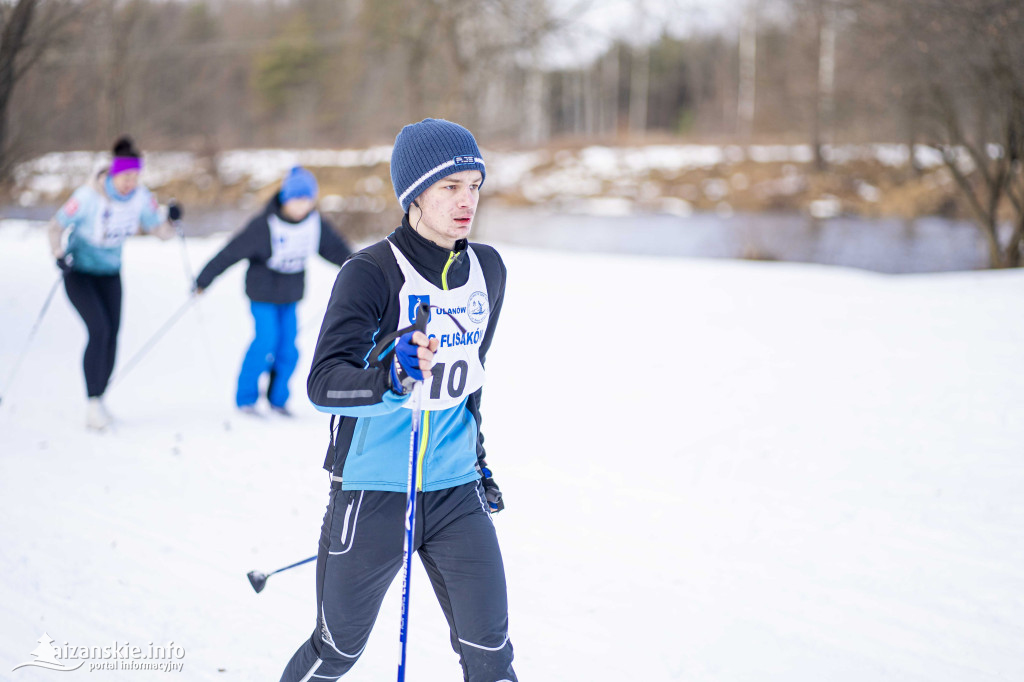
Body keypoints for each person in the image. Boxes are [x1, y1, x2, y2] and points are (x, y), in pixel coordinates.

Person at [278, 119, 516, 682]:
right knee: (338, 651)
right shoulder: (371, 273)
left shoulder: (489, 271)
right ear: (414, 195)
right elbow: (323, 382)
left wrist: (478, 464)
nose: (467, 201)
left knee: (492, 658)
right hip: (375, 492)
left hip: (456, 494)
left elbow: (470, 384)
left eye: (474, 184)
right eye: (449, 187)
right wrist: (389, 378)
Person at [47, 135, 181, 431]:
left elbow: (159, 231)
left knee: (113, 336)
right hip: (79, 273)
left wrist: (171, 221)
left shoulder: (140, 198)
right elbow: (55, 226)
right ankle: (92, 402)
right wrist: (58, 254)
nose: (130, 182)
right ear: (112, 173)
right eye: (125, 176)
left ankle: (100, 399)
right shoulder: (87, 197)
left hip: (110, 275)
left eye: (135, 176)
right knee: (99, 329)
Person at [194, 166, 351, 416]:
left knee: (288, 348)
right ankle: (246, 399)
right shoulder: (264, 226)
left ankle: (278, 400)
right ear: (285, 199)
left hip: (290, 296)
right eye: (296, 201)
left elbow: (338, 251)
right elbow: (231, 252)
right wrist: (204, 279)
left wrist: (359, 268)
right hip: (262, 294)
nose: (301, 207)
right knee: (265, 340)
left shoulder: (315, 224)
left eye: (307, 201)